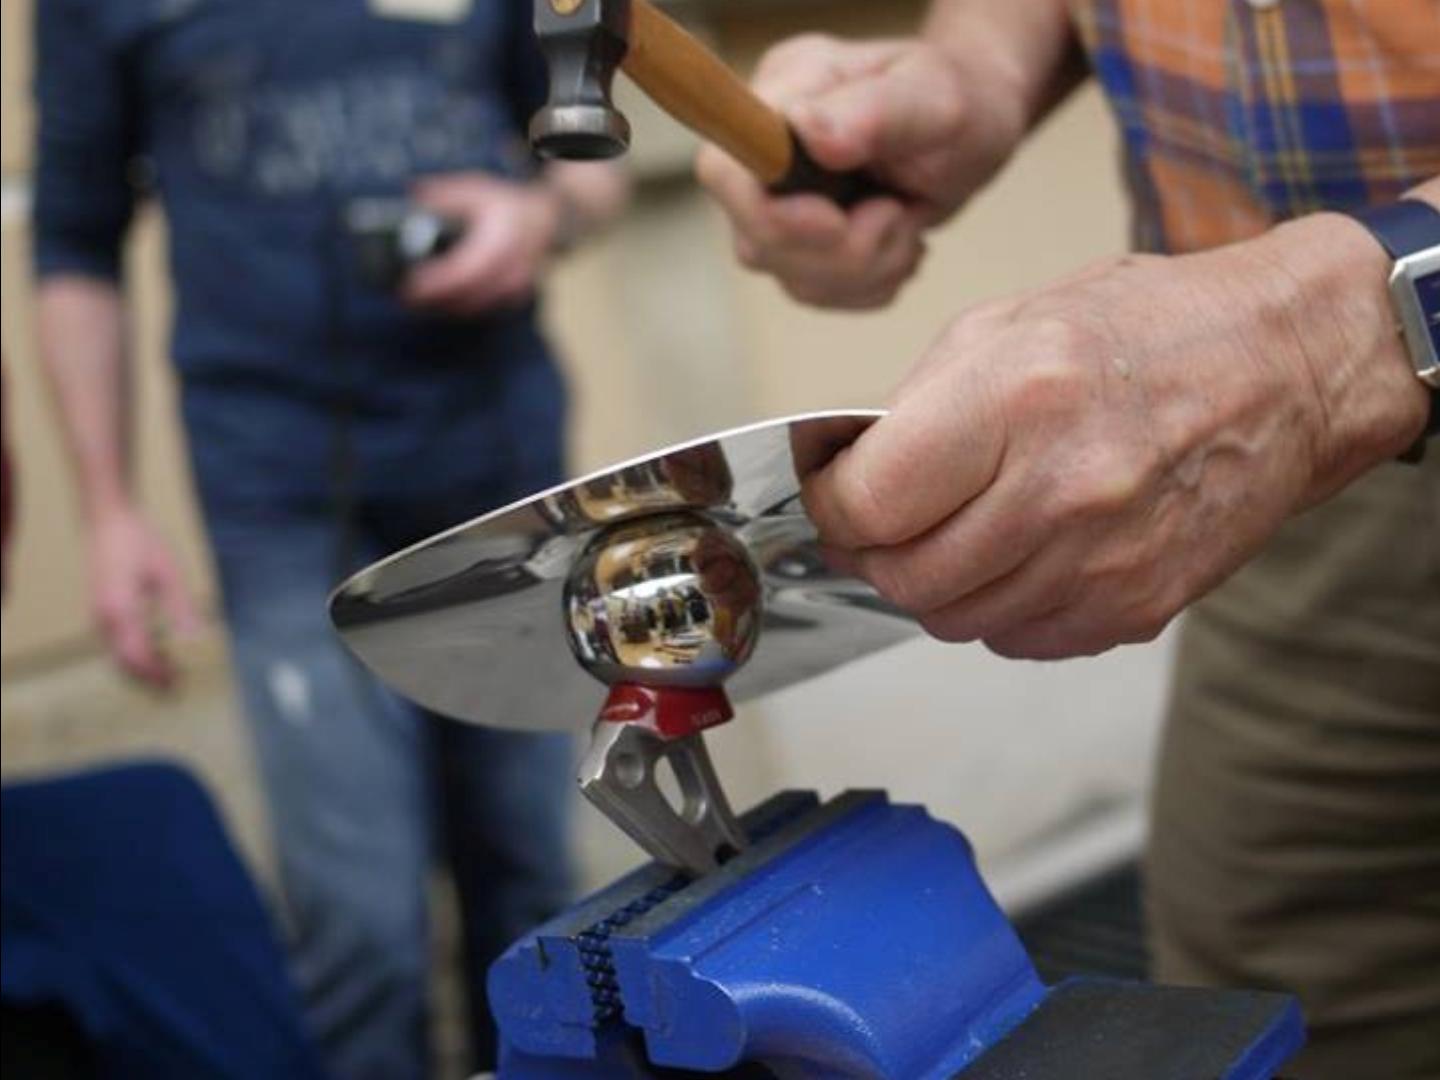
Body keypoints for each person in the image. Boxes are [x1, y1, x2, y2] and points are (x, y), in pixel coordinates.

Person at [696, 2, 1438, 1078]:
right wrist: (981, 69)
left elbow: (1327, 338)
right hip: (1298, 469)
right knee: (1283, 1006)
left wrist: (1333, 335)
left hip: (1309, 371)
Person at [32, 2, 627, 1076]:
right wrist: (109, 511)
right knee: (362, 936)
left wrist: (537, 219)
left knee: (538, 895)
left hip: (500, 478)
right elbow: (72, 242)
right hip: (280, 502)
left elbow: (593, 161)